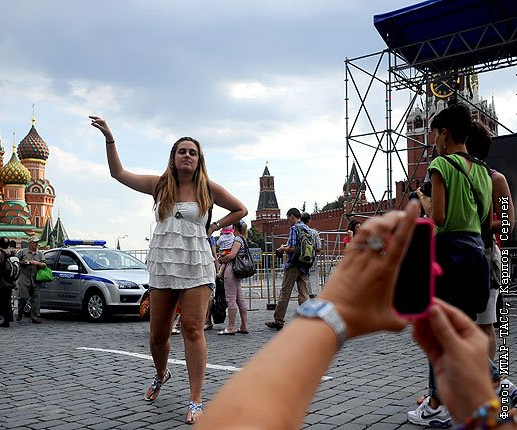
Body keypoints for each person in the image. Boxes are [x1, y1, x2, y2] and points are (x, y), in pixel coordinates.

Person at [197, 201, 517, 430]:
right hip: (477, 259)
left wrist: (336, 309)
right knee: (485, 325)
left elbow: (241, 420)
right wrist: (479, 407)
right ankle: (498, 380)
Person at [89, 115, 247, 424]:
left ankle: (196, 399)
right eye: (182, 151)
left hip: (196, 264)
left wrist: (213, 226)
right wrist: (110, 138)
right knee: (158, 335)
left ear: (199, 160)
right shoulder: (159, 185)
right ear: (173, 158)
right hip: (163, 265)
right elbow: (118, 173)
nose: (187, 155)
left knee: (192, 328)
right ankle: (162, 374)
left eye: (193, 152)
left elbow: (240, 209)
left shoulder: (207, 187)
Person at [413, 103, 493, 427]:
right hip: (476, 253)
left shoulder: (441, 164)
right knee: (462, 329)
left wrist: (425, 203)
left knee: (438, 330)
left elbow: (439, 218)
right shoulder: (484, 171)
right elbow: (487, 221)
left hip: (449, 253)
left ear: (444, 133)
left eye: (434, 134)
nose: (433, 140)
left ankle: (437, 403)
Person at [465, 122, 515, 359]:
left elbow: (508, 222)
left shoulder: (495, 179)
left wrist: (478, 224)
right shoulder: (453, 176)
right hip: (456, 257)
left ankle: (488, 382)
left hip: (484, 255)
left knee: (484, 324)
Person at [265, 208, 313, 330]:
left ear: (292, 216)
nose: (287, 220)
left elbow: (293, 248)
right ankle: (307, 320)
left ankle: (279, 320)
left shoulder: (294, 228)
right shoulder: (308, 229)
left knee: (285, 293)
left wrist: (282, 249)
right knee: (304, 294)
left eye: (288, 218)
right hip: (305, 265)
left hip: (293, 265)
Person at [215, 220, 249, 335]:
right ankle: (244, 325)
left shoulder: (237, 239)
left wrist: (221, 259)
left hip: (231, 269)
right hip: (238, 272)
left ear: (235, 228)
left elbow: (232, 255)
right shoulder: (244, 239)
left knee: (231, 298)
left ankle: (231, 327)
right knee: (240, 299)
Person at [16, 237, 46, 324]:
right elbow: (16, 261)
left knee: (36, 298)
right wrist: (23, 263)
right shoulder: (22, 252)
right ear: (30, 243)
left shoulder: (40, 253)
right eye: (35, 242)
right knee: (23, 297)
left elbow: (44, 264)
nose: (36, 244)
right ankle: (20, 312)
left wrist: (37, 263)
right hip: (24, 278)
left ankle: (35, 316)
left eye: (37, 242)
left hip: (36, 279)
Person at [301, 212, 323, 297]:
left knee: (302, 282)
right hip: (312, 261)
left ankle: (304, 297)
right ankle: (311, 296)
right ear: (309, 221)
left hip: (300, 262)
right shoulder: (314, 233)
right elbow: (319, 248)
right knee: (313, 282)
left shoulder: (297, 231)